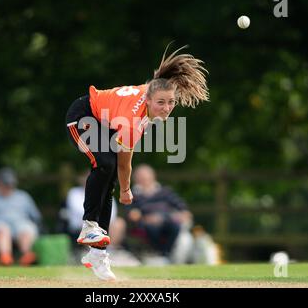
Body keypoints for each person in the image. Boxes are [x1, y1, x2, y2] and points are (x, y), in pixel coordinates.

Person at [65, 44, 209, 280]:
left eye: (171, 102)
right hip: (82, 115)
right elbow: (124, 163)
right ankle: (89, 225)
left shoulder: (152, 91)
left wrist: (119, 187)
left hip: (104, 123)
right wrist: (126, 190)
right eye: (161, 103)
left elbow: (160, 85)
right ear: (149, 99)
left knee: (107, 179)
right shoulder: (134, 121)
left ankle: (97, 255)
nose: (167, 108)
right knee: (106, 165)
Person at [0, 167, 42, 266]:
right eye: (6, 184)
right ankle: (5, 257)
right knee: (3, 229)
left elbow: (36, 216)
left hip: (20, 224)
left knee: (26, 228)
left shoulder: (23, 196)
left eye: (11, 184)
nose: (9, 186)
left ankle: (26, 255)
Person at [127, 164, 194, 264]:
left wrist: (174, 216)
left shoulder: (165, 192)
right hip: (147, 223)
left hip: (167, 221)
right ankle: (162, 254)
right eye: (141, 178)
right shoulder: (133, 194)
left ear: (153, 177)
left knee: (175, 227)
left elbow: (184, 210)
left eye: (146, 177)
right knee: (151, 227)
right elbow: (132, 214)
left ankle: (165, 254)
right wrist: (147, 218)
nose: (144, 180)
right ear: (136, 179)